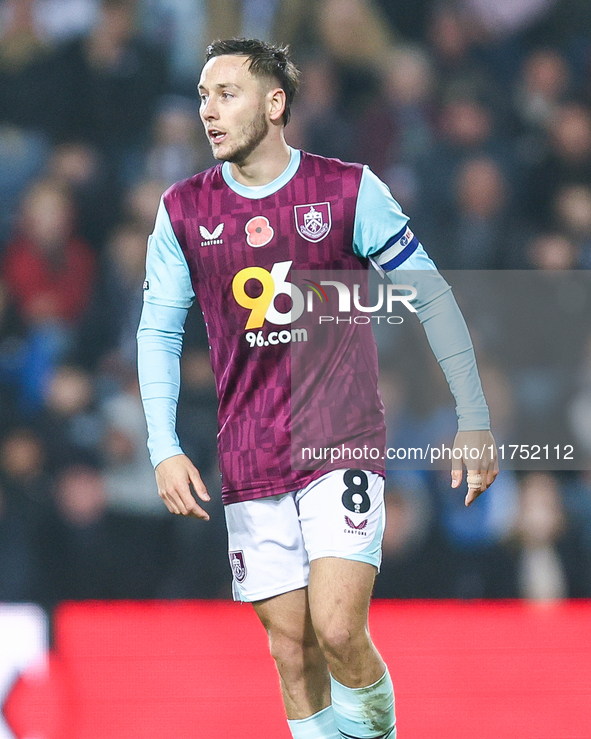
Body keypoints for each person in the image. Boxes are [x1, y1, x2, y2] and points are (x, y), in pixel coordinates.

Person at [137, 38, 498, 739]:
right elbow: (157, 330)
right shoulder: (182, 211)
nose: (208, 110)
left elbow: (432, 296)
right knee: (289, 648)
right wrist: (162, 445)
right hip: (249, 451)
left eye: (227, 94)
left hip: (341, 439)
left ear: (275, 104)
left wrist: (473, 415)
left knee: (336, 627)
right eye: (203, 96)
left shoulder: (346, 191)